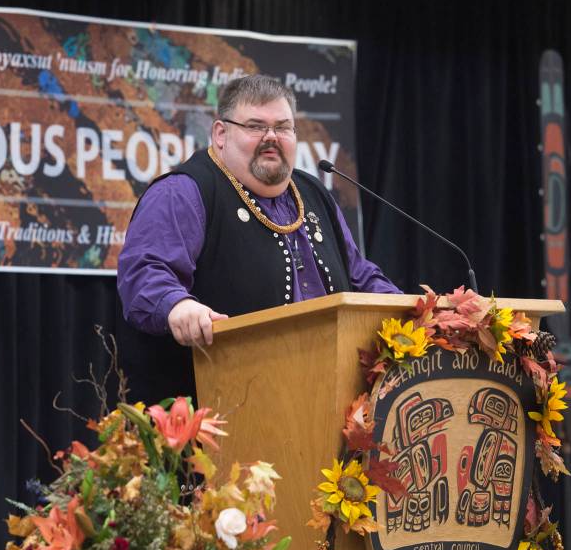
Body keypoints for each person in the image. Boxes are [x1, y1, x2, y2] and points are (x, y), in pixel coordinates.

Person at [116, 74, 400, 403]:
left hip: (326, 400)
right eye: (255, 126)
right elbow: (144, 272)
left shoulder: (315, 193)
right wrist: (178, 305)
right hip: (222, 408)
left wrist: (410, 311)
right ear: (221, 134)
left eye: (283, 127)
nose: (271, 137)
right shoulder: (182, 192)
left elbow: (359, 275)